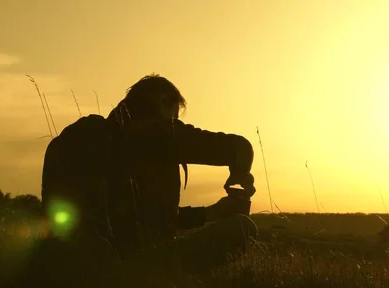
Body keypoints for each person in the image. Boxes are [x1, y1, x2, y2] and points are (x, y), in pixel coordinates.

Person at [40, 74, 258, 271]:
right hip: (133, 271)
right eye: (174, 117)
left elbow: (142, 217)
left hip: (65, 270)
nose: (176, 124)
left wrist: (210, 213)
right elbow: (238, 148)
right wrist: (240, 173)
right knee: (242, 227)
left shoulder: (66, 143)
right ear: (163, 102)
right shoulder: (155, 133)